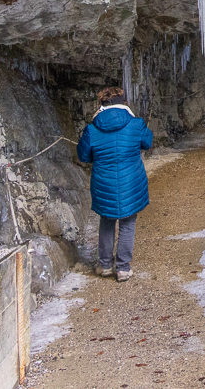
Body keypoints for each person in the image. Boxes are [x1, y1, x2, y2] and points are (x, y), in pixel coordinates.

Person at [77, 87, 154, 281]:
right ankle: (123, 268)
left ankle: (104, 265)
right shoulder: (136, 124)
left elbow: (83, 156)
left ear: (101, 105)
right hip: (131, 182)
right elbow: (147, 142)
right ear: (124, 103)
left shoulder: (92, 129)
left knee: (106, 221)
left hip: (104, 183)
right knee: (128, 223)